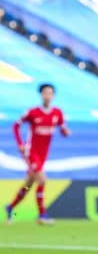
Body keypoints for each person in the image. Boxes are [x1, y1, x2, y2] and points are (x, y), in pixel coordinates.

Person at [6, 83, 70, 225]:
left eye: (50, 93)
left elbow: (63, 128)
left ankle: (11, 207)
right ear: (41, 95)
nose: (47, 95)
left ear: (53, 96)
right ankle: (42, 215)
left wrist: (65, 132)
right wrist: (20, 144)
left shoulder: (57, 113)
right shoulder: (32, 112)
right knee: (42, 179)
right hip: (31, 152)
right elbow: (16, 125)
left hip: (43, 154)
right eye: (45, 93)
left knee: (29, 184)